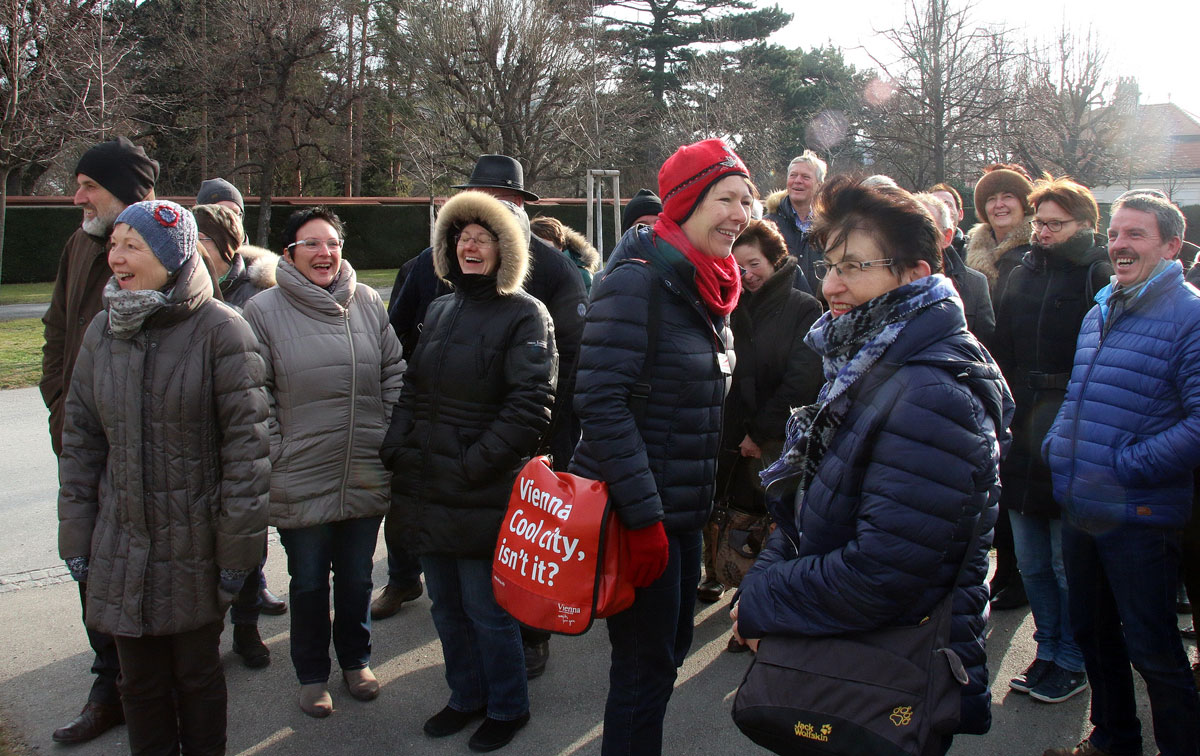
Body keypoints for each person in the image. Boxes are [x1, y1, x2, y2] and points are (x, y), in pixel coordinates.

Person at [733, 177, 1012, 756]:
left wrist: (763, 597)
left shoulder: (932, 391)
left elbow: (886, 573)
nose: (832, 285)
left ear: (914, 274)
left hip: (882, 679)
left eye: (853, 267)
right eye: (830, 265)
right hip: (845, 653)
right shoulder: (863, 362)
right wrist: (767, 579)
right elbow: (812, 504)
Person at [57, 200, 269, 756]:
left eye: (133, 245)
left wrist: (235, 558)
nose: (116, 256)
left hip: (193, 549)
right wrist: (77, 538)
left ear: (171, 257)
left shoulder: (222, 330)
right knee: (139, 686)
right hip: (119, 546)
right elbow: (80, 445)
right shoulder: (103, 332)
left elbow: (247, 457)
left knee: (197, 681)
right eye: (115, 243)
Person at [569, 138, 746, 756]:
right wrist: (645, 520)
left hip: (680, 515)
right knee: (644, 670)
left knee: (664, 658)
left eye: (746, 200)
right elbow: (601, 404)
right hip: (642, 514)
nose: (740, 214)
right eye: (726, 198)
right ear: (688, 203)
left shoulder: (705, 285)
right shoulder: (637, 283)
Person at [382, 154, 585, 680]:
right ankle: (469, 689)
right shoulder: (427, 270)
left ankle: (532, 642)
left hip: (513, 452)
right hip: (440, 455)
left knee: (517, 571)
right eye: (484, 196)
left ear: (521, 205)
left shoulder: (554, 273)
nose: (496, 207)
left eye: (508, 197)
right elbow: (402, 347)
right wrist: (405, 443)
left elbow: (562, 371)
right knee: (455, 600)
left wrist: (507, 452)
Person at [1042, 191, 1200, 756]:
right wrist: (1059, 446)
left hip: (1142, 513)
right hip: (1085, 505)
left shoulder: (1190, 314)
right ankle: (1112, 741)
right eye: (1114, 234)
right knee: (1095, 637)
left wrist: (1127, 465)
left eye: (1135, 234)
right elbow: (1079, 393)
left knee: (1153, 649)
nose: (1119, 245)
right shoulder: (1103, 306)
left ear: (1171, 245)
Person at [241, 207, 404, 718]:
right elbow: (252, 393)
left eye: (332, 242)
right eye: (311, 243)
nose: (324, 253)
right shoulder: (263, 311)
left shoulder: (369, 303)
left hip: (364, 467)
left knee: (356, 577)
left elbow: (394, 371)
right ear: (289, 252)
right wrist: (277, 450)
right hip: (299, 472)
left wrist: (390, 437)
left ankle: (356, 661)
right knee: (309, 580)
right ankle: (312, 673)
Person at [41, 136, 158, 745]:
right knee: (87, 561)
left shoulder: (167, 242)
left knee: (147, 566)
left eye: (90, 185)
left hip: (147, 449)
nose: (77, 196)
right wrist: (62, 409)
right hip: (81, 443)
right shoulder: (78, 247)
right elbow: (56, 331)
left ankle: (146, 681)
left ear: (128, 193)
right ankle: (107, 681)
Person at [989, 175, 1110, 705]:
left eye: (1054, 224)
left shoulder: (1098, 274)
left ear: (1085, 225)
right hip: (1021, 426)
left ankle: (1076, 656)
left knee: (1067, 561)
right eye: (1039, 222)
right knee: (1032, 558)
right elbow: (1001, 347)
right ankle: (1048, 647)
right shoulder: (1019, 271)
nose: (1041, 232)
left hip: (1072, 424)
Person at [698, 219, 822, 604]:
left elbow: (803, 379)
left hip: (772, 435)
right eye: (738, 267)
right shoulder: (726, 303)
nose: (746, 274)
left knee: (765, 514)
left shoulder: (804, 307)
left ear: (775, 259)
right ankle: (717, 569)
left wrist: (761, 431)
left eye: (753, 264)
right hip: (726, 426)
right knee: (720, 504)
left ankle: (753, 594)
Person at [191, 202, 284, 668]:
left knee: (244, 532)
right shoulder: (181, 287)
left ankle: (246, 629)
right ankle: (204, 632)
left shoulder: (257, 294)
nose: (195, 249)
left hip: (246, 428)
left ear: (225, 245)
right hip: (192, 434)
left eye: (203, 239)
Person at [964, 162, 1035, 612]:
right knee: (997, 482)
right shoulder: (976, 254)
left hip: (1021, 380)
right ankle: (1006, 572)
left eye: (1008, 196)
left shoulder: (1030, 252)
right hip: (986, 376)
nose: (999, 204)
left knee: (1018, 483)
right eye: (992, 198)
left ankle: (1018, 573)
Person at [916, 190, 995, 341]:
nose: (916, 236)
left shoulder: (975, 285)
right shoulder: (885, 282)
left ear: (947, 237)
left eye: (927, 228)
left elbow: (986, 348)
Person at [763, 150, 826, 295]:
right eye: (793, 175)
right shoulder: (768, 225)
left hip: (822, 309)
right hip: (779, 308)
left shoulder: (831, 226)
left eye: (805, 177)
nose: (798, 181)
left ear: (819, 184)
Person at [530, 214, 602, 293]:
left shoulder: (580, 275)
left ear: (559, 246)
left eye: (545, 247)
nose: (539, 251)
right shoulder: (525, 272)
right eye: (534, 246)